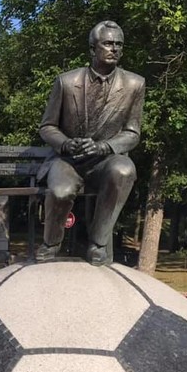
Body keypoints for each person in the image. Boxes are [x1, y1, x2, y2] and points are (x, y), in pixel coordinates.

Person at [36, 20, 145, 266]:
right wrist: (66, 144)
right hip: (69, 160)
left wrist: (104, 147)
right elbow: (47, 126)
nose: (114, 49)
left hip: (106, 160)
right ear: (92, 48)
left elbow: (132, 132)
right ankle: (51, 243)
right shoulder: (66, 82)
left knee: (124, 170)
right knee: (61, 192)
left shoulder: (134, 84)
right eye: (108, 43)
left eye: (119, 44)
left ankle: (98, 244)